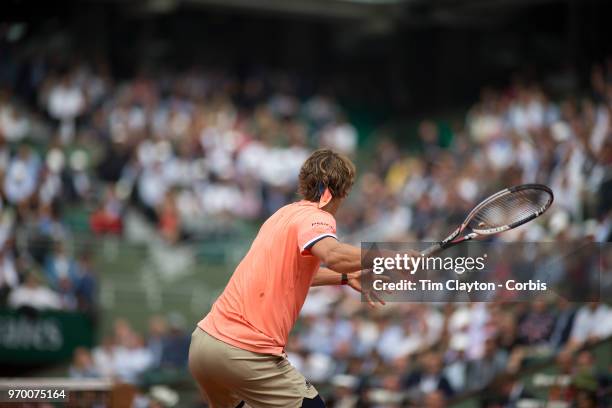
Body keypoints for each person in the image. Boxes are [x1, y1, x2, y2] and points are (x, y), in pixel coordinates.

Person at [189, 149, 393, 408]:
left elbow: (294, 275)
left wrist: (344, 277)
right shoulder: (317, 217)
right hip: (244, 351)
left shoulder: (282, 215)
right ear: (341, 192)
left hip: (204, 345)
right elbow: (332, 254)